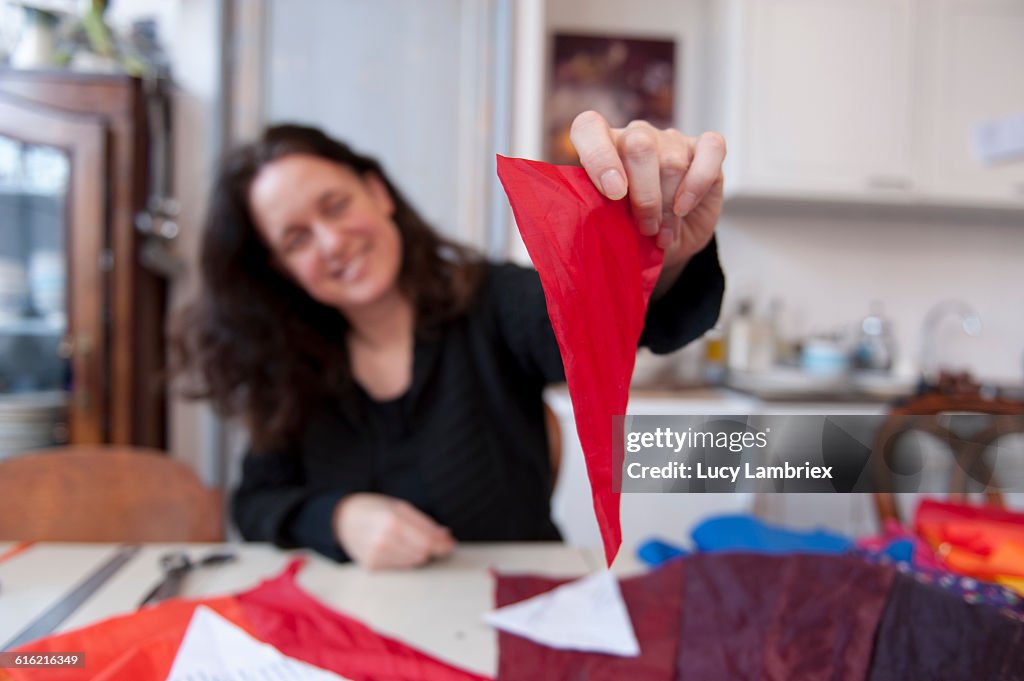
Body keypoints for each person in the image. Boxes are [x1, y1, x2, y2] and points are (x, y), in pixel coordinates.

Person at [173, 111, 726, 569]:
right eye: (296, 239)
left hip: (521, 612)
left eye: (336, 206)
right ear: (281, 269)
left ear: (376, 192)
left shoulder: (491, 301)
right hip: (361, 631)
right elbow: (256, 505)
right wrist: (339, 517)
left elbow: (603, 324)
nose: (331, 242)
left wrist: (661, 251)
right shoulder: (290, 365)